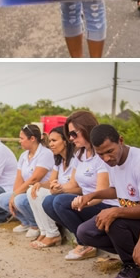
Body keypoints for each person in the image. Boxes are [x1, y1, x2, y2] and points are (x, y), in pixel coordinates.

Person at [74, 124, 140, 278]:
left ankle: (134, 266)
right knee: (85, 232)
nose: (106, 158)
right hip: (133, 219)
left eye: (110, 151)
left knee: (114, 220)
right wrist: (93, 195)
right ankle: (135, 253)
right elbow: (117, 190)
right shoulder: (112, 163)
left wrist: (116, 211)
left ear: (120, 141)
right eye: (101, 154)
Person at [38, 110, 110, 259]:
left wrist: (81, 200)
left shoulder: (101, 154)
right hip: (88, 201)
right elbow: (72, 184)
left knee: (59, 201)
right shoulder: (80, 154)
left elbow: (101, 194)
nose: (70, 139)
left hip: (106, 203)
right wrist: (59, 188)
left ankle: (86, 242)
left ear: (86, 129)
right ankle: (84, 240)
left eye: (73, 134)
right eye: (69, 135)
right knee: (48, 202)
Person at [0, 123, 54, 238]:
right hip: (26, 190)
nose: (20, 141)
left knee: (19, 200)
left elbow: (34, 179)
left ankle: (35, 225)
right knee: (2, 199)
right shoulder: (24, 155)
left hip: (40, 191)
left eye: (22, 138)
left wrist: (15, 195)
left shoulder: (45, 154)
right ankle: (26, 222)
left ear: (32, 139)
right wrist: (13, 195)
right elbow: (19, 178)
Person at [25, 125, 75, 248]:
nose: (51, 144)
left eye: (54, 141)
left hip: (71, 193)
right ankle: (44, 231)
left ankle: (53, 234)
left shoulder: (75, 159)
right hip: (59, 192)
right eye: (50, 141)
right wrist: (40, 184)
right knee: (32, 190)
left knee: (42, 194)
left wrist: (58, 188)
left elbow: (77, 185)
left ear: (65, 141)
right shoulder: (59, 160)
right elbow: (51, 181)